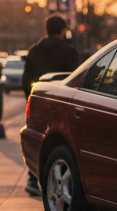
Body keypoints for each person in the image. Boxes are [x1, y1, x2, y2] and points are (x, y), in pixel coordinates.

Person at [21, 15, 80, 195]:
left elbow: (26, 79)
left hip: (39, 100)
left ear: (46, 30)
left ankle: (33, 179)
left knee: (38, 139)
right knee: (61, 142)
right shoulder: (69, 51)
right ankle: (59, 181)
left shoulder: (34, 51)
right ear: (63, 31)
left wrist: (31, 98)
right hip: (61, 103)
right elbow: (75, 80)